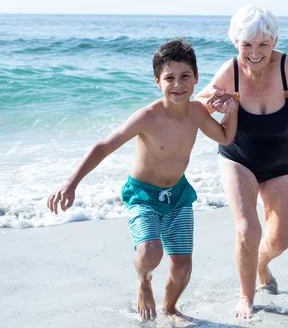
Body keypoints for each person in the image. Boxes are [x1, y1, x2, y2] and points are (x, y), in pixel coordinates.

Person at [47, 39, 238, 321]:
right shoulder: (148, 117)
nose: (178, 84)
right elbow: (103, 146)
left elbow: (225, 136)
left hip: (178, 195)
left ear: (196, 78)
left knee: (183, 266)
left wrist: (231, 112)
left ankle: (170, 307)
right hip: (143, 195)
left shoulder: (198, 112)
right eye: (169, 78)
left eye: (185, 76)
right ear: (157, 81)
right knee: (150, 252)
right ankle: (144, 280)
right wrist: (70, 183)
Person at [195, 5, 288, 318]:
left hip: (282, 163)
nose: (255, 53)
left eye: (262, 44)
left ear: (274, 40)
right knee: (247, 230)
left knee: (279, 241)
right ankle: (246, 297)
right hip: (238, 158)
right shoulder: (230, 71)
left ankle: (261, 264)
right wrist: (215, 103)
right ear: (235, 43)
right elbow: (199, 104)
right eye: (247, 45)